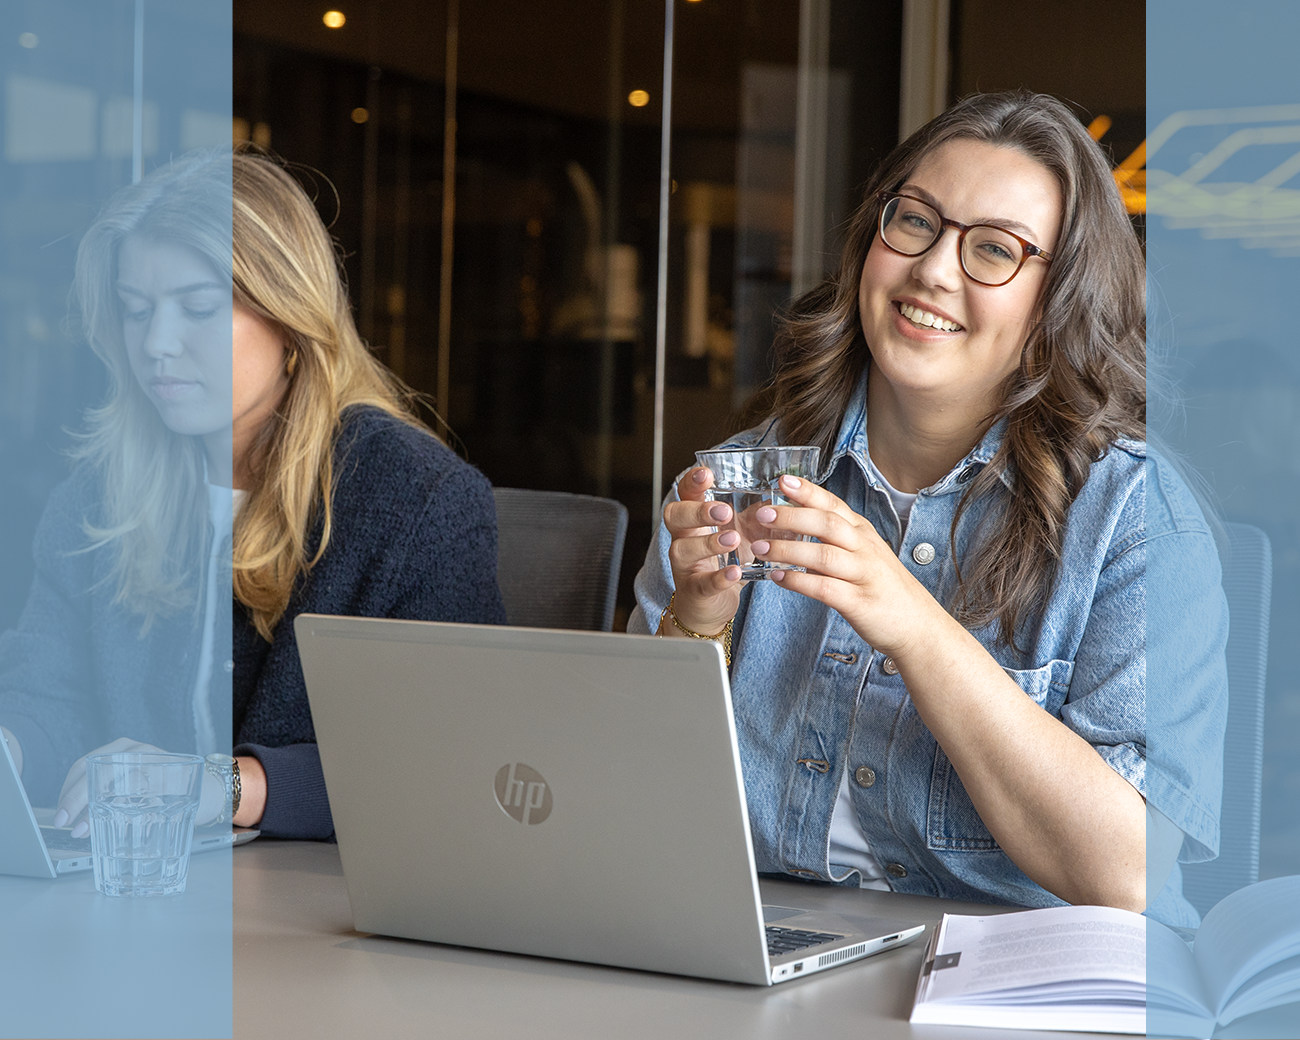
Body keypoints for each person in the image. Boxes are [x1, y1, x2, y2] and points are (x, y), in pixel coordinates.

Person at [630, 91, 1228, 928]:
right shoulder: (749, 477)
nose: (934, 270)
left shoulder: (1133, 518)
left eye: (994, 250)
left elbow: (1128, 871)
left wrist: (915, 627)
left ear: (1060, 303)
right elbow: (630, 808)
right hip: (773, 950)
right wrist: (698, 621)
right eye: (914, 221)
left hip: (1026, 980)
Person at [0, 147, 506, 840]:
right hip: (137, 893)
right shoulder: (98, 492)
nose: (157, 343)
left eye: (199, 307)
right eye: (135, 310)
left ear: (291, 320)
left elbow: (450, 762)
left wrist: (228, 785)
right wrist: (13, 747)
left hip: (323, 911)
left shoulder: (416, 499)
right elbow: (49, 696)